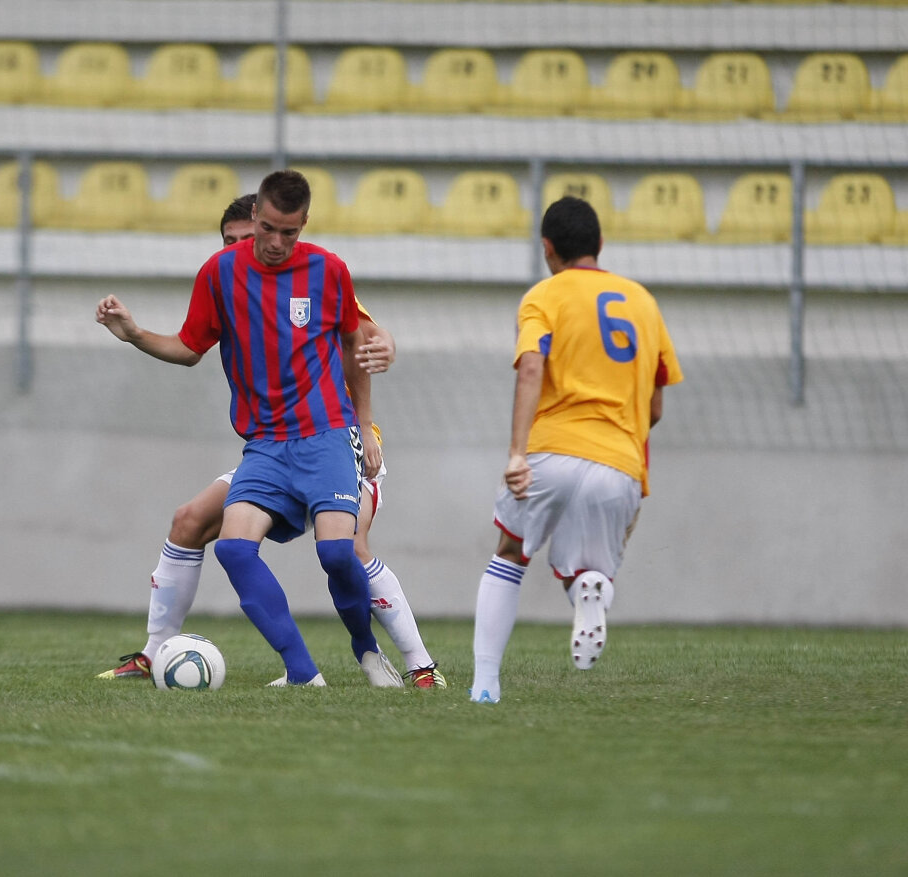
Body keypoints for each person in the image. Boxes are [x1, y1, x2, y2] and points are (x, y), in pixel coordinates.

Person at [96, 192, 444, 688]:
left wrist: (385, 344)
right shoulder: (224, 278)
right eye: (232, 240)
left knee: (349, 549)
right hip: (271, 445)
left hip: (339, 440)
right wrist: (133, 333)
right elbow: (190, 345)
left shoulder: (314, 271)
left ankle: (418, 666)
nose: (252, 247)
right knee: (191, 521)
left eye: (254, 237)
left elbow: (362, 330)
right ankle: (156, 654)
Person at [469, 196, 683, 704]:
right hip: (618, 462)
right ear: (600, 245)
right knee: (589, 568)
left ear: (547, 248)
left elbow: (530, 368)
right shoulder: (642, 301)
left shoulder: (544, 296)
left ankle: (484, 686)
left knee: (511, 555)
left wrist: (517, 452)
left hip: (550, 451)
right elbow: (654, 406)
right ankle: (591, 590)